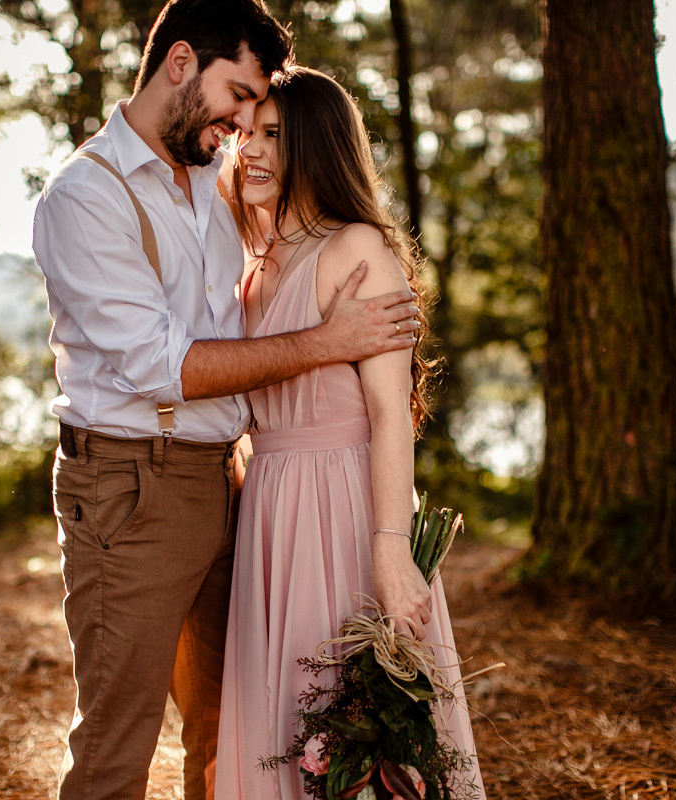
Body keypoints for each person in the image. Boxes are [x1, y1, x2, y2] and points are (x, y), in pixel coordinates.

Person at [30, 3, 422, 800]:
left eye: (260, 114)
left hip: (234, 487)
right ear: (180, 64)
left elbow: (313, 233)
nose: (243, 127)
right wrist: (327, 341)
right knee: (117, 742)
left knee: (230, 737)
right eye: (238, 96)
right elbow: (160, 366)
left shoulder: (219, 179)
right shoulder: (84, 199)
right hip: (130, 489)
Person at [215, 66, 487, 799]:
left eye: (274, 135)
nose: (251, 151)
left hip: (342, 506)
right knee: (281, 725)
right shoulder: (254, 267)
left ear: (317, 146)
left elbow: (391, 414)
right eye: (245, 134)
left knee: (351, 715)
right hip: (269, 512)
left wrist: (392, 550)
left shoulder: (357, 249)